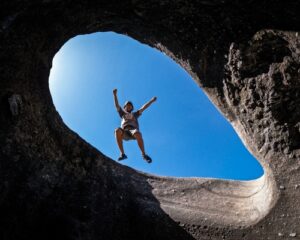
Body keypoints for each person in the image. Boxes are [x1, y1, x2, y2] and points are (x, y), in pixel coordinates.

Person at [113, 88, 157, 163]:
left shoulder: (135, 114)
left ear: (132, 108)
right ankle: (122, 154)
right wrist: (115, 95)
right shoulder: (122, 113)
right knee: (117, 130)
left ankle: (144, 155)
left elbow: (143, 107)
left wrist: (151, 101)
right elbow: (117, 105)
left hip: (133, 131)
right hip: (124, 132)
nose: (129, 106)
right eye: (127, 105)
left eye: (130, 106)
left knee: (137, 133)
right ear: (125, 107)